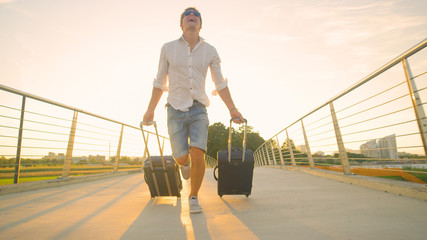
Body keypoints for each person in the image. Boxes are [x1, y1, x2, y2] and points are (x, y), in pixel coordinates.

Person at [143, 7, 244, 214]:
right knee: (181, 157)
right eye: (187, 15)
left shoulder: (210, 50)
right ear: (181, 24)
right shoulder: (168, 48)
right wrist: (150, 110)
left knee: (198, 153)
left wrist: (232, 109)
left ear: (200, 24)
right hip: (174, 109)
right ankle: (184, 164)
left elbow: (220, 83)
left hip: (199, 108)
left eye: (196, 15)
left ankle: (194, 197)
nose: (192, 16)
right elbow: (159, 81)